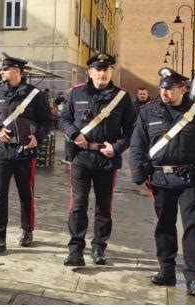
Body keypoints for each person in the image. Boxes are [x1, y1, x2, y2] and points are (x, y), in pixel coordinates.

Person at [129, 67, 195, 297]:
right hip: (160, 179)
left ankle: (194, 278)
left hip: (190, 179)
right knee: (164, 225)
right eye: (162, 89)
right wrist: (138, 175)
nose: (165, 93)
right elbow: (137, 146)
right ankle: (166, 271)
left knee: (192, 227)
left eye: (170, 89)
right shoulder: (148, 112)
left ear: (183, 89)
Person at [58, 53, 137, 266]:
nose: (102, 73)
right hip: (81, 157)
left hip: (106, 158)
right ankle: (75, 249)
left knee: (104, 206)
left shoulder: (121, 97)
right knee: (78, 204)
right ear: (90, 72)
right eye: (98, 69)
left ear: (112, 72)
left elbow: (132, 128)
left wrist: (118, 147)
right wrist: (75, 134)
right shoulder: (76, 93)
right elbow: (63, 118)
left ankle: (99, 247)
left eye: (106, 69)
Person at [0, 52, 51, 255]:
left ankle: (27, 231)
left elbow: (47, 121)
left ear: (17, 71)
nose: (2, 72)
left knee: (25, 194)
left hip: (25, 152)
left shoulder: (35, 95)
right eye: (2, 69)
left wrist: (37, 137)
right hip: (3, 151)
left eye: (5, 69)